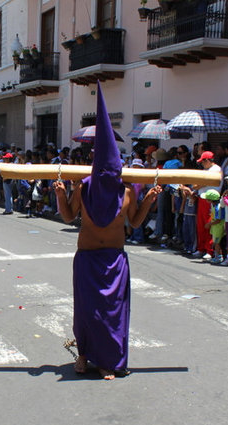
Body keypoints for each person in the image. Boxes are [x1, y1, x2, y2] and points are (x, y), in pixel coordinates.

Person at [53, 84, 161, 380]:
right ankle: (85, 355)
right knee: (87, 311)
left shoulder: (127, 192)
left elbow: (136, 223)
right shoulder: (83, 187)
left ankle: (108, 360)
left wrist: (150, 200)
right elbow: (67, 217)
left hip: (115, 259)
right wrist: (62, 195)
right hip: (87, 258)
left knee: (113, 314)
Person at [201, 189, 225, 264]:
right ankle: (216, 255)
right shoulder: (213, 205)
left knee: (217, 242)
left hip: (218, 227)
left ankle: (219, 257)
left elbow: (218, 220)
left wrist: (209, 224)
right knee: (215, 242)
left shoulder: (218, 207)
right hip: (214, 227)